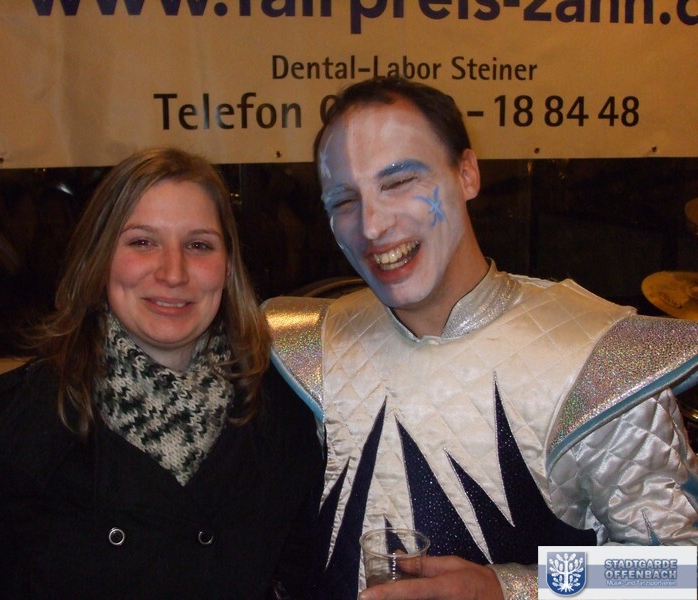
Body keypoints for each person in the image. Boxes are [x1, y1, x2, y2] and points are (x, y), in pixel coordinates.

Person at [263, 77, 698, 599]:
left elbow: (678, 573)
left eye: (399, 181)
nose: (372, 226)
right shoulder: (307, 351)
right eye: (344, 200)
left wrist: (510, 589)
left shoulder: (596, 360)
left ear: (467, 174)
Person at [0, 147, 323, 599]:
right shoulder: (18, 418)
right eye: (143, 242)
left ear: (227, 267)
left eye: (198, 245)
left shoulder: (280, 414)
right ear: (101, 257)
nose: (173, 273)